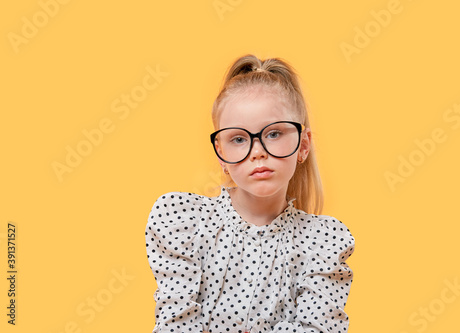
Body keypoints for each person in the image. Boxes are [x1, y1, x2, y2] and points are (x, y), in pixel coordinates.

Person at [145, 54, 355, 333]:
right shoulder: (183, 221)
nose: (257, 152)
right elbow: (176, 324)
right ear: (221, 154)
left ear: (303, 145)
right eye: (239, 139)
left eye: (274, 134)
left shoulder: (322, 242)